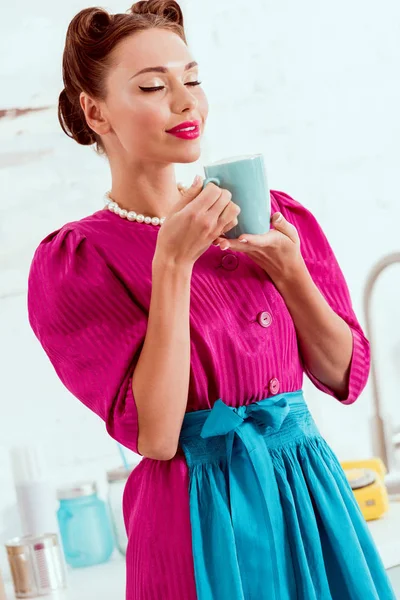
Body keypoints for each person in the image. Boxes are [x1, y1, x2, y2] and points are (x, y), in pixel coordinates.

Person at [27, 1, 396, 599]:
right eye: (152, 85)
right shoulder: (77, 261)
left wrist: (291, 271)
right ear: (95, 112)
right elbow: (157, 436)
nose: (184, 101)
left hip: (309, 496)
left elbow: (342, 375)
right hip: (193, 516)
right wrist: (171, 263)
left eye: (192, 79)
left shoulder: (274, 214)